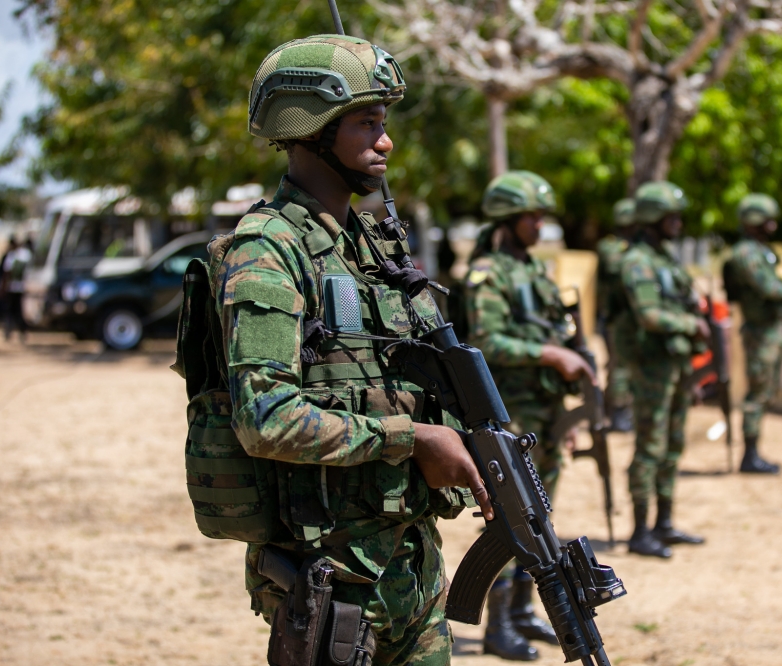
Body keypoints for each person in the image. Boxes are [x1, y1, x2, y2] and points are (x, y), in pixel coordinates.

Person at [210, 35, 493, 665]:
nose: (385, 142)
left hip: (411, 570)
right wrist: (411, 440)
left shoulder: (372, 246)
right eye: (367, 123)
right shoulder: (267, 250)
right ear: (312, 127)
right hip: (329, 580)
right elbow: (264, 418)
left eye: (383, 124)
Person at [463, 170, 595, 660]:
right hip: (509, 415)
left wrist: (569, 408)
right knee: (510, 520)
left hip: (545, 413)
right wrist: (550, 355)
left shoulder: (535, 270)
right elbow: (486, 341)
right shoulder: (487, 273)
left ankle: (522, 611)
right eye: (532, 217)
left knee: (541, 518)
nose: (540, 225)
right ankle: (497, 626)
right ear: (508, 219)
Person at [616, 181, 707, 558]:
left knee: (673, 443)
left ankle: (664, 523)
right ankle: (640, 531)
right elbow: (649, 315)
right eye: (672, 217)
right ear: (653, 218)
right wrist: (691, 325)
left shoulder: (665, 259)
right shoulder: (637, 261)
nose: (678, 223)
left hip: (676, 364)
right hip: (651, 367)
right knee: (650, 447)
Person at [724, 193, 782, 474]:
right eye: (767, 220)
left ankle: (754, 453)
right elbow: (768, 288)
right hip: (759, 331)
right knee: (757, 393)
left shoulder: (763, 251)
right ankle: (750, 456)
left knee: (767, 392)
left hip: (771, 329)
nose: (773, 226)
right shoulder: (745, 253)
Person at [596, 198, 637, 432]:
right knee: (618, 365)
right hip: (615, 317)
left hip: (629, 317)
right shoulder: (611, 247)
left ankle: (617, 408)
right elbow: (615, 268)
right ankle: (617, 412)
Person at [1, 237, 31, 342]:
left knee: (11, 310)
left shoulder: (11, 256)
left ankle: (8, 331)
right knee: (18, 311)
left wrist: (3, 287)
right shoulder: (26, 255)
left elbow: (7, 273)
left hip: (12, 288)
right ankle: (22, 330)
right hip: (21, 288)